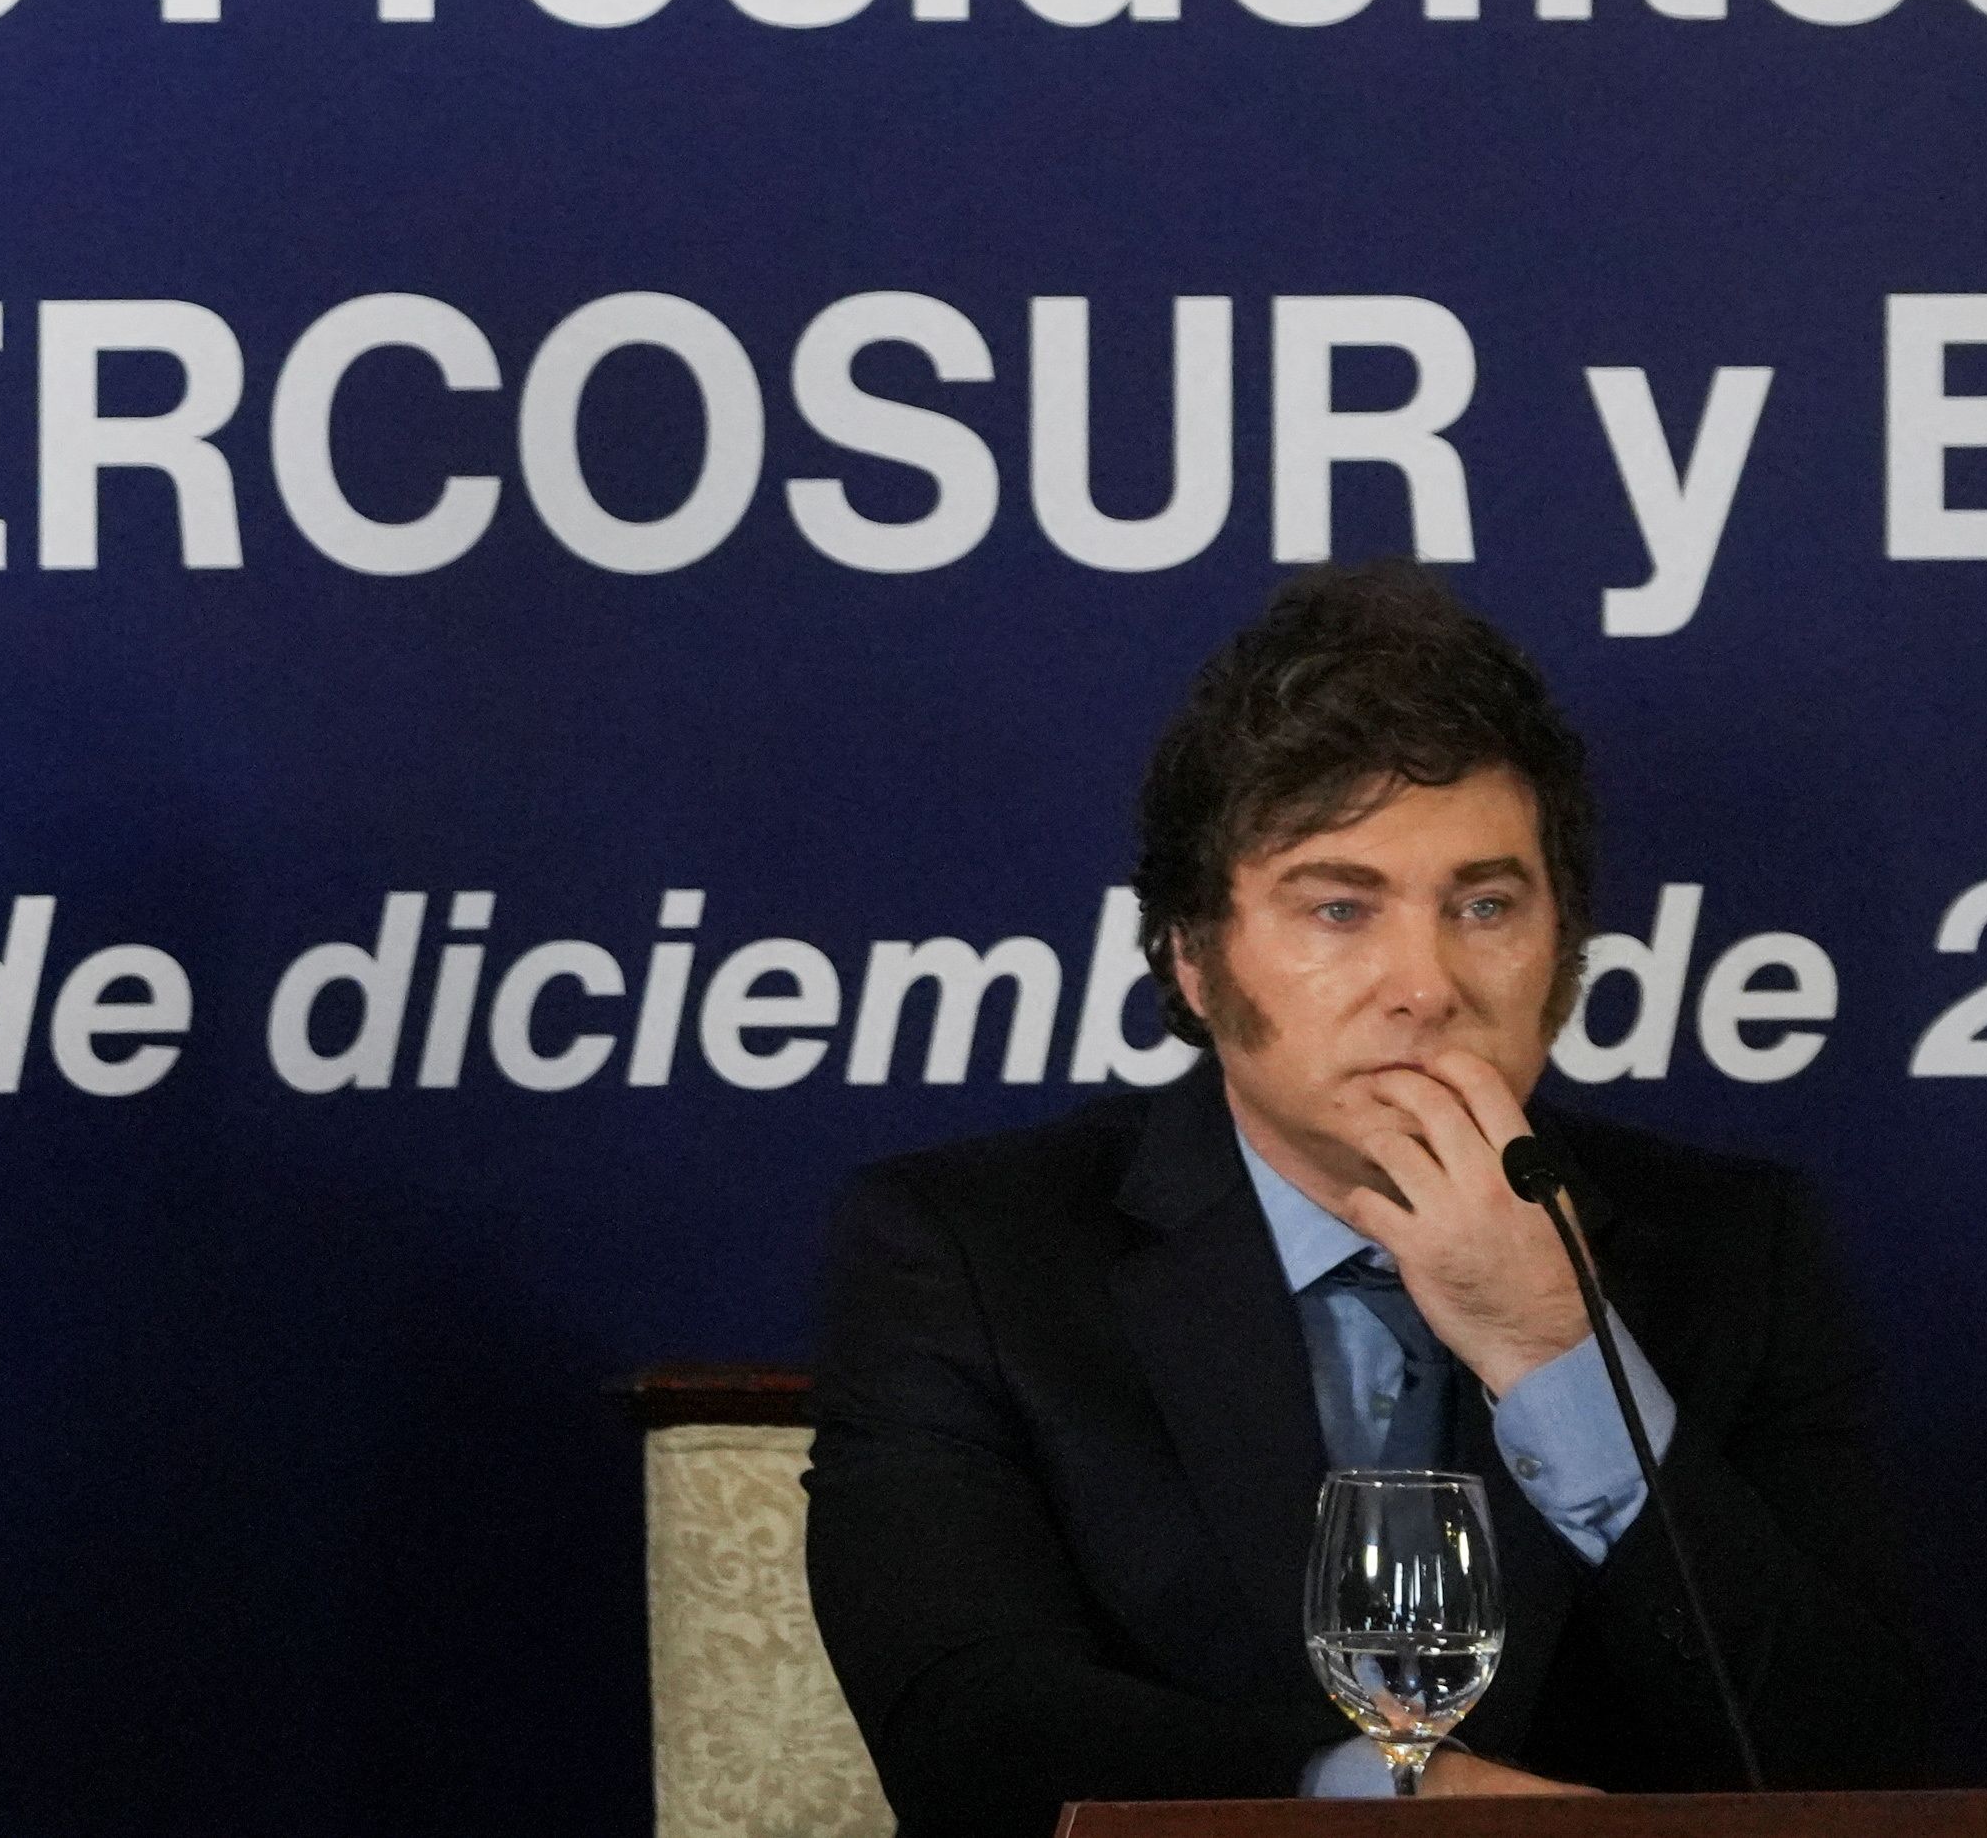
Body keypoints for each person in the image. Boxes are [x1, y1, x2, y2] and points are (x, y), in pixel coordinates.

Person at [805, 563, 1923, 1832]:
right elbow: (966, 1729)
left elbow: (1850, 1753)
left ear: (1562, 952)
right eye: (1339, 906)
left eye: (1485, 905)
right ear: (1189, 952)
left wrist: (1552, 1351)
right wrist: (1377, 1801)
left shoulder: (1734, 1248)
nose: (1425, 982)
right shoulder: (969, 1250)